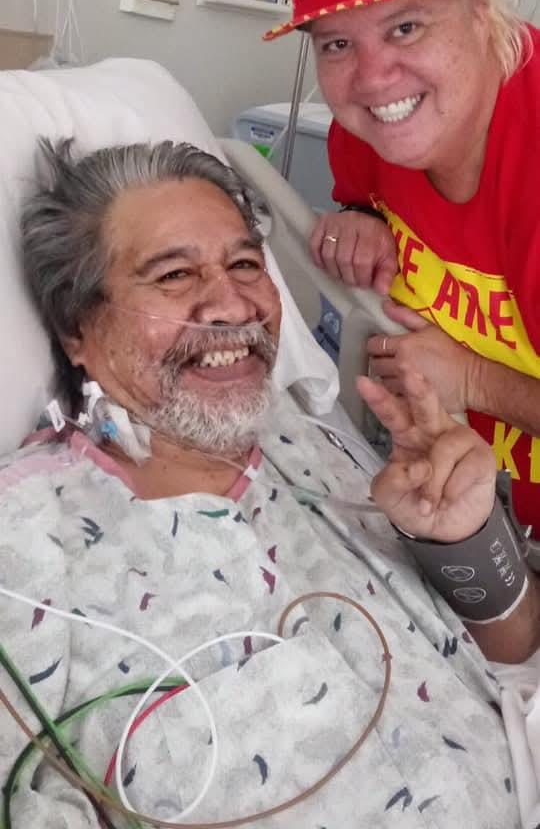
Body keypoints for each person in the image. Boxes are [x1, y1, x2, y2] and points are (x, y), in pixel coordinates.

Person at [0, 139, 537, 829]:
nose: (232, 304)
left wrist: (467, 538)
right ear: (78, 328)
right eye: (172, 276)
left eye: (246, 263)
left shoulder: (313, 441)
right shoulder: (26, 536)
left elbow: (516, 649)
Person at [264, 0, 540, 539]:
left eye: (407, 26)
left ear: (481, 11)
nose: (372, 78)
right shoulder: (370, 135)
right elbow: (367, 189)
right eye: (336, 43)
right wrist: (362, 220)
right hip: (469, 509)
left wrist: (472, 379)